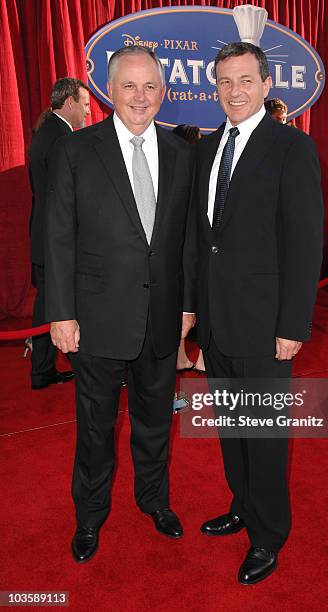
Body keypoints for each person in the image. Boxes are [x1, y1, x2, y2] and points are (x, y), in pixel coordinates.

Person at [44, 46, 196, 563]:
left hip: (161, 318)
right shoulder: (78, 149)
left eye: (150, 86)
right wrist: (61, 313)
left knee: (156, 421)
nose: (140, 96)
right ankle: (89, 515)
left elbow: (188, 240)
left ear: (163, 91)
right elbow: (58, 234)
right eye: (129, 86)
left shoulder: (181, 152)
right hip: (95, 319)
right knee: (95, 428)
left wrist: (189, 305)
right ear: (110, 92)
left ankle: (154, 500)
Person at [194, 42, 323, 584]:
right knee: (231, 426)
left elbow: (304, 241)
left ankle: (268, 536)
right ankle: (243, 504)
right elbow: (204, 240)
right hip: (218, 319)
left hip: (267, 323)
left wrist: (292, 325)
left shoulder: (292, 148)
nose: (234, 91)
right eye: (224, 82)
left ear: (268, 84)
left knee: (265, 433)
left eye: (245, 80)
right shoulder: (206, 147)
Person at [29, 77, 90, 390]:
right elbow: (63, 197)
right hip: (54, 239)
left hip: (42, 235)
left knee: (46, 305)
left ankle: (42, 368)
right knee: (54, 305)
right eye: (85, 105)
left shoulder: (47, 132)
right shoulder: (61, 138)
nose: (88, 113)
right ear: (70, 103)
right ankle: (50, 369)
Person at [172, 124, 206, 374]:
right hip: (198, 244)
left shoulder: (167, 165)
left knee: (178, 302)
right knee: (205, 301)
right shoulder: (199, 167)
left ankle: (181, 357)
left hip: (176, 247)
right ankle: (203, 357)